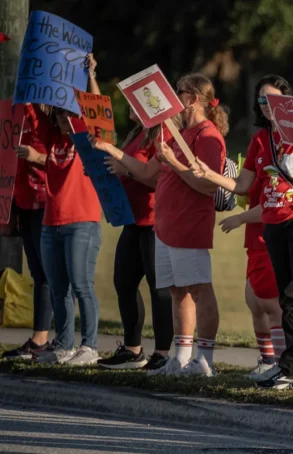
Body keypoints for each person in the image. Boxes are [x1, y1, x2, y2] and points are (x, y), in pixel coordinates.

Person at [191, 75, 293, 390]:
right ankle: (292, 367)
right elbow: (242, 185)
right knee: (287, 297)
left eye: (273, 99)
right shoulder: (261, 139)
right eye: (262, 100)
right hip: (272, 222)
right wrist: (210, 175)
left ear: (287, 99)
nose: (267, 106)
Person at [95, 73, 228, 377]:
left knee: (199, 290)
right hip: (166, 226)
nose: (172, 97)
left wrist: (175, 163)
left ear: (194, 99)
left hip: (189, 224)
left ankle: (205, 360)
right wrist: (111, 149)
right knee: (177, 291)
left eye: (178, 91)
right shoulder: (177, 134)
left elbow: (208, 185)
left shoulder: (207, 136)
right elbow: (146, 171)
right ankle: (180, 358)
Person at [16, 54, 103, 365]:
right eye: (62, 114)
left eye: (71, 114)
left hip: (82, 223)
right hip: (51, 224)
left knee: (82, 285)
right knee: (58, 288)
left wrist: (90, 75)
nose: (66, 119)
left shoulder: (88, 140)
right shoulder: (53, 139)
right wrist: (28, 75)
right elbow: (33, 111)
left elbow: (97, 111)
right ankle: (64, 345)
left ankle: (89, 347)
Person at [96, 109, 179, 371]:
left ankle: (162, 353)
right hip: (132, 219)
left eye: (134, 101)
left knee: (158, 288)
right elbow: (126, 167)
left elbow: (160, 180)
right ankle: (132, 350)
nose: (129, 106)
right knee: (124, 282)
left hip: (154, 221)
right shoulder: (138, 133)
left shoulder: (162, 135)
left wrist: (126, 169)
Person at [213, 177, 284, 381]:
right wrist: (210, 175)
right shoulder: (258, 157)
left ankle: (281, 365)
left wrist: (241, 218)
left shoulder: (280, 158)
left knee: (270, 304)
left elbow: (274, 203)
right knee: (254, 301)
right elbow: (243, 184)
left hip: (269, 240)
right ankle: (268, 360)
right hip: (255, 240)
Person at [2, 104, 52, 360]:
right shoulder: (15, 119)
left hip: (44, 203)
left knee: (48, 272)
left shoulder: (51, 122)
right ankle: (39, 337)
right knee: (38, 272)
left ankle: (46, 338)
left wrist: (37, 157)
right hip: (23, 203)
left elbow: (65, 161)